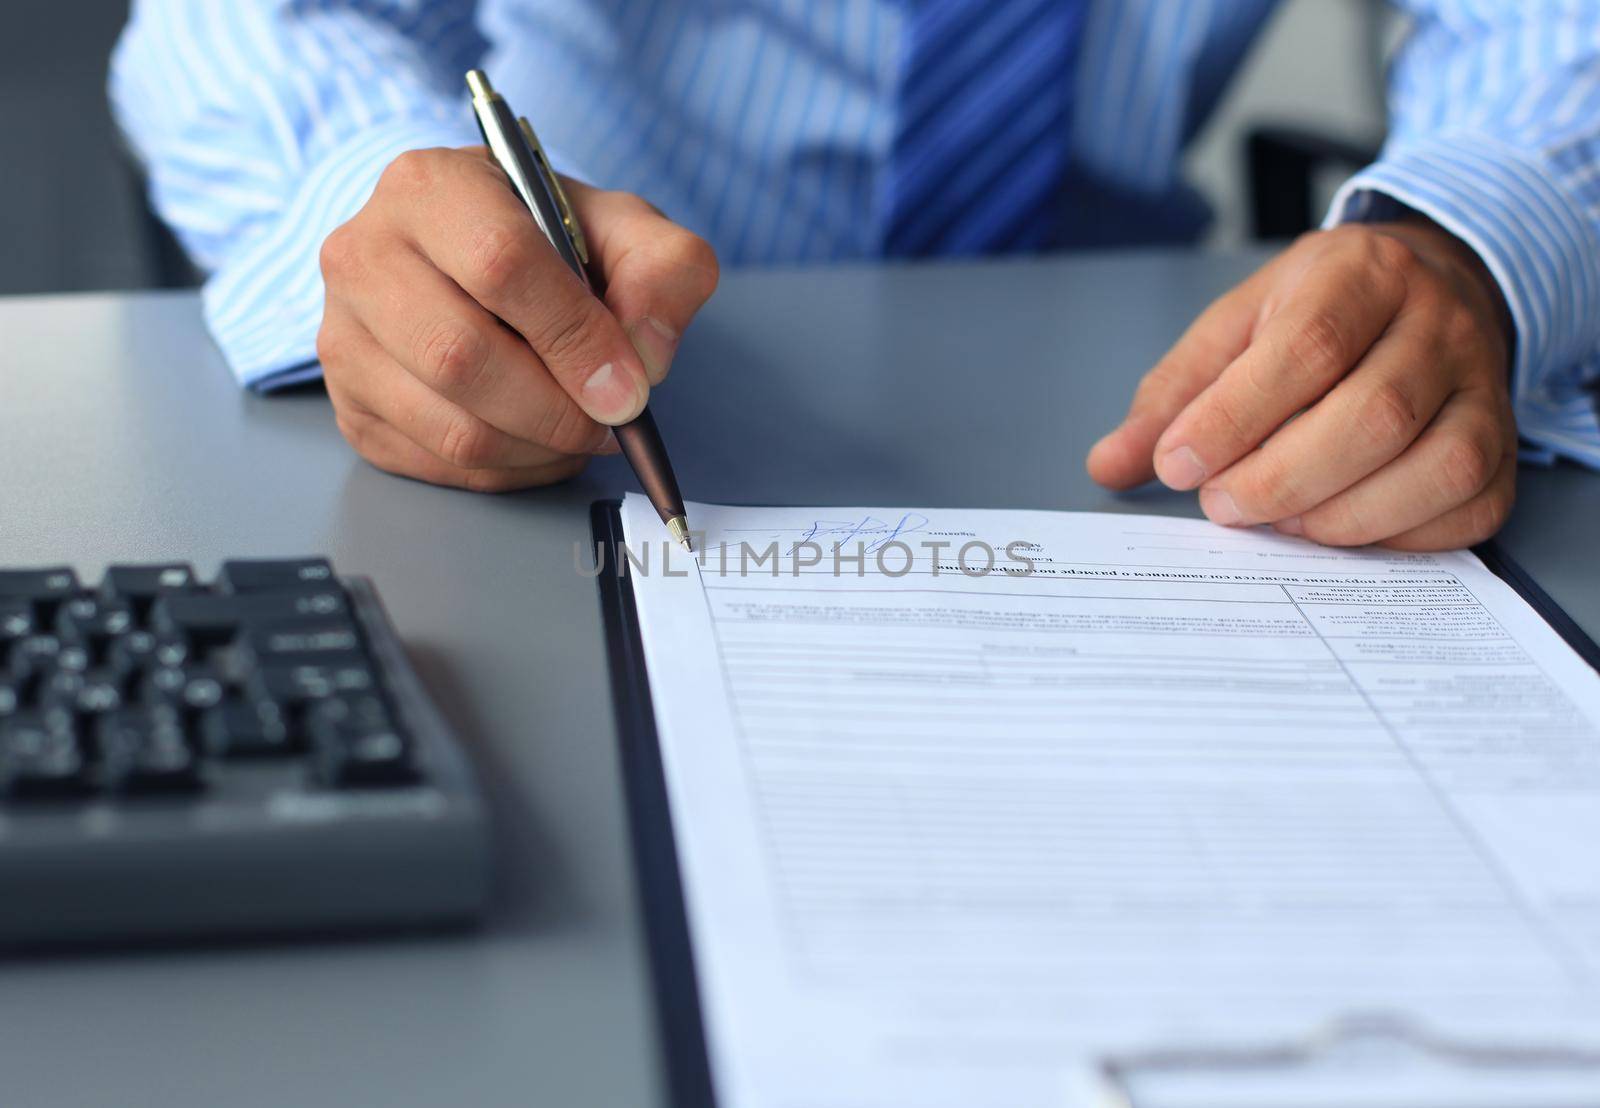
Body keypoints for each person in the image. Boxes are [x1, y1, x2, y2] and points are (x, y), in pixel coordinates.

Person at [112, 2, 1600, 550]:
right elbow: (233, 26)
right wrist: (378, 196)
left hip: (1134, 407)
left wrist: (1468, 234)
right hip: (583, 415)